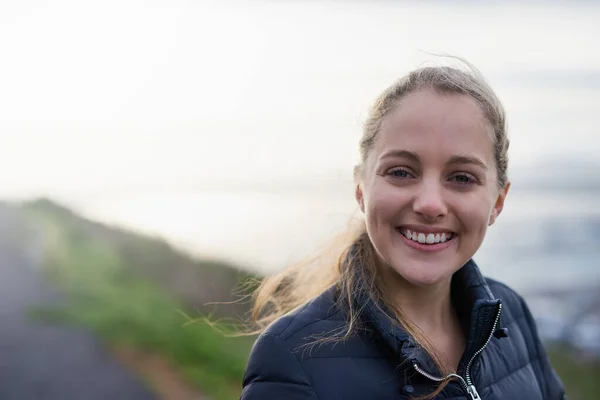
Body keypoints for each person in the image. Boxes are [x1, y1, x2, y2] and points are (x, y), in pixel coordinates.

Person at [240, 60, 567, 399]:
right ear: (361, 190)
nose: (429, 204)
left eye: (461, 178)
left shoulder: (512, 316)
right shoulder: (293, 358)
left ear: (498, 201)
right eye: (400, 172)